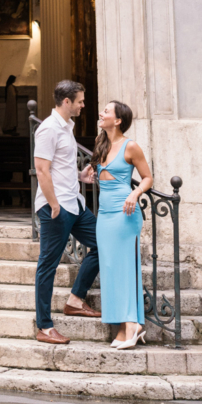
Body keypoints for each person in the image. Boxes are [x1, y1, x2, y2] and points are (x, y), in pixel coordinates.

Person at [32, 78, 100, 345]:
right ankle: (45, 327)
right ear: (67, 101)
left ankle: (75, 299)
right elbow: (42, 170)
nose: (84, 105)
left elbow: (59, 166)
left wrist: (80, 176)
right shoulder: (48, 129)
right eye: (81, 101)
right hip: (56, 208)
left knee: (102, 243)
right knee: (47, 265)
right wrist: (54, 204)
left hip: (75, 204)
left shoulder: (67, 127)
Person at [93, 99, 153, 349]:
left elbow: (148, 177)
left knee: (126, 268)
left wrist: (134, 193)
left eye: (106, 111)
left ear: (118, 120)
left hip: (124, 214)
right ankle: (123, 326)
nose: (101, 113)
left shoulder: (131, 147)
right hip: (104, 215)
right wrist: (89, 174)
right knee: (109, 268)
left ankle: (132, 325)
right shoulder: (101, 143)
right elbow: (101, 176)